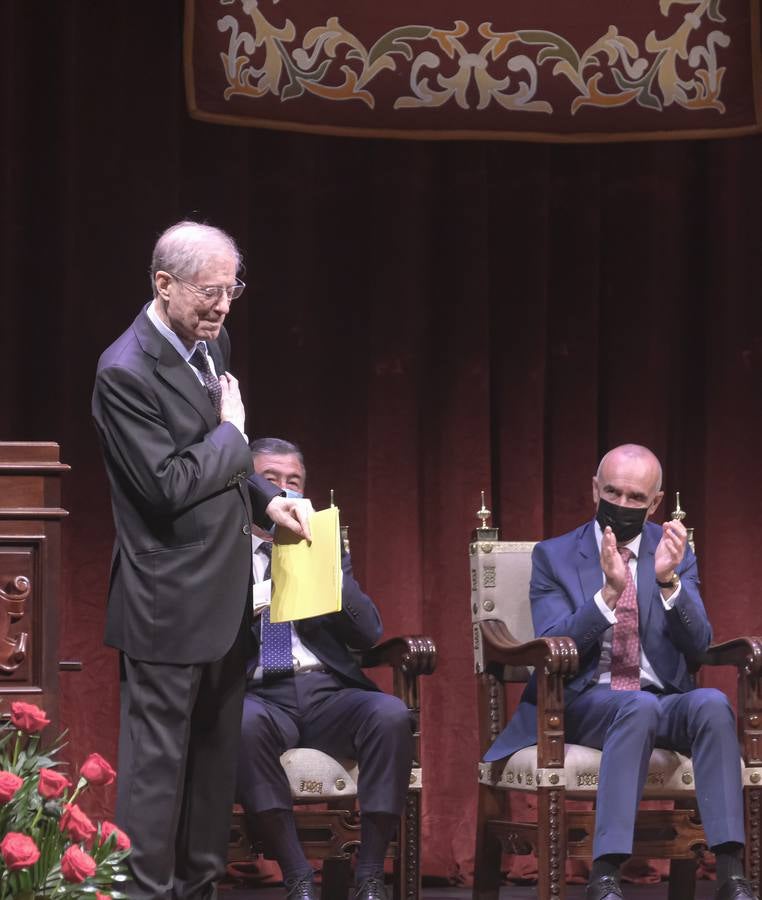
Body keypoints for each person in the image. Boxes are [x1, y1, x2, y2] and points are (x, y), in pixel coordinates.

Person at [92, 221, 313, 900]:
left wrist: (265, 499)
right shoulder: (124, 371)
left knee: (213, 770)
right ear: (163, 284)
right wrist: (232, 435)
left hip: (224, 598)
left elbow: (222, 467)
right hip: (166, 599)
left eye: (231, 290)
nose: (222, 306)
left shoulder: (211, 344)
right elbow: (166, 486)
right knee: (159, 775)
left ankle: (200, 889)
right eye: (209, 293)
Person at [484, 444, 757, 900]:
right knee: (637, 705)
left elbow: (698, 643)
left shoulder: (673, 550)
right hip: (581, 700)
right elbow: (555, 646)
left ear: (655, 502)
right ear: (595, 489)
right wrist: (608, 594)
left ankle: (731, 871)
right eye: (613, 492)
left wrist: (669, 581)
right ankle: (605, 873)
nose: (623, 505)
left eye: (636, 498)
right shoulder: (554, 556)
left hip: (659, 699)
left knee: (711, 704)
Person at [236, 437, 414, 900]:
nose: (284, 491)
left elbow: (369, 632)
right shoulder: (221, 550)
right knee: (242, 723)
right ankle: (297, 874)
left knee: (390, 714)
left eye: (294, 482)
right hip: (258, 694)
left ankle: (371, 873)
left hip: (326, 693)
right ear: (249, 487)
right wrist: (253, 603)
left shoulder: (326, 547)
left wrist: (327, 570)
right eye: (270, 481)